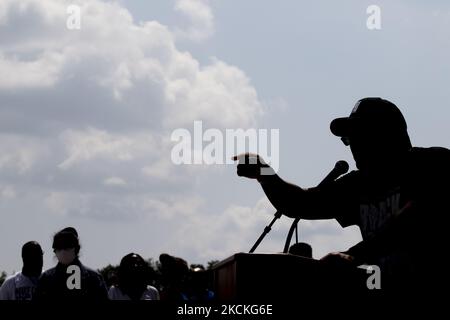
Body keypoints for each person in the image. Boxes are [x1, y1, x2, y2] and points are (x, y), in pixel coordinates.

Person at [234, 97, 450, 290]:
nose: (352, 144)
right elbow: (300, 203)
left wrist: (354, 255)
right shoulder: (358, 184)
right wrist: (264, 173)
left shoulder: (433, 164)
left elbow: (415, 219)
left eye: (359, 135)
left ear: (387, 134)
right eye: (348, 138)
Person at [34, 227, 108, 300]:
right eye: (59, 247)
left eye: (67, 246)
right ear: (55, 250)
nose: (63, 251)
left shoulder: (94, 278)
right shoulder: (45, 279)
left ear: (77, 249)